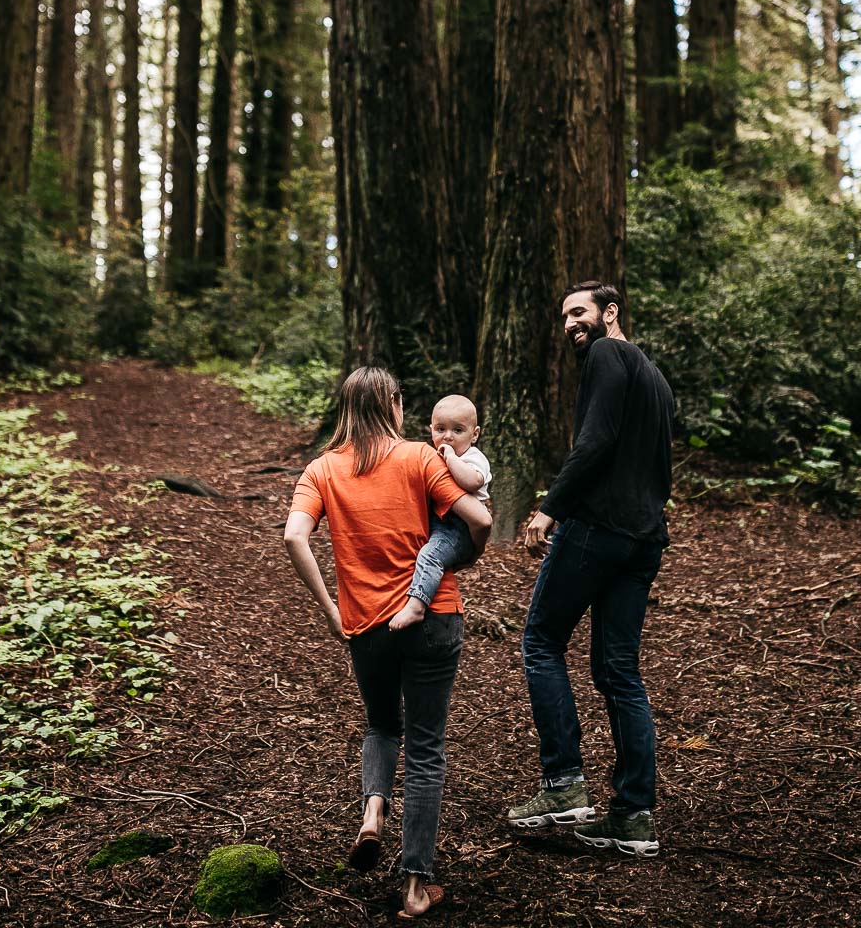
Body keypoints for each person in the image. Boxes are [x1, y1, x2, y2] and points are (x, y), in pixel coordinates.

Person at [283, 367, 494, 919]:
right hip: (434, 618)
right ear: (396, 405)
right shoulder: (421, 458)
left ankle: (372, 812)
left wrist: (331, 608)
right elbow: (480, 519)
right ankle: (414, 887)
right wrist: (463, 559)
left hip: (364, 624)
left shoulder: (321, 469)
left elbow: (293, 535)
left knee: (381, 725)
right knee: (425, 749)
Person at [505, 281, 675, 859]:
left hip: (599, 529)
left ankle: (563, 785)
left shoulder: (608, 354)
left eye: (579, 313)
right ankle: (634, 816)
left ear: (610, 313)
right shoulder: (655, 377)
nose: (570, 325)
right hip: (643, 539)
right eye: (565, 317)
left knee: (541, 641)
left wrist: (551, 507)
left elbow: (596, 441)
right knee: (619, 672)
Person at [388, 394, 492, 631]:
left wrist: (451, 458)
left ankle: (417, 606)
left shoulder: (473, 458)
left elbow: (473, 482)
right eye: (440, 429)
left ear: (474, 434)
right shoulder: (435, 455)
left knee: (430, 555)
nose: (447, 436)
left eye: (457, 430)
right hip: (440, 521)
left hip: (459, 527)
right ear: (431, 429)